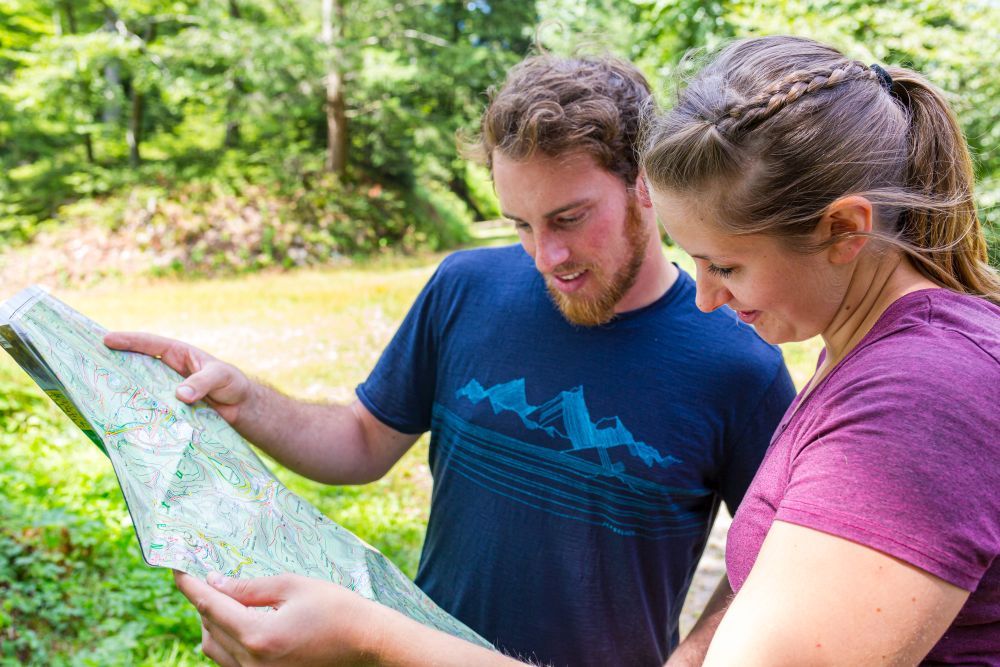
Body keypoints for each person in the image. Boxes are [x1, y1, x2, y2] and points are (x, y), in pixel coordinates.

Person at [108, 54, 795, 666]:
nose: (545, 258)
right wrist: (244, 400)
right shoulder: (465, 286)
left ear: (645, 183)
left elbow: (770, 559)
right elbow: (361, 440)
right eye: (520, 224)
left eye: (568, 218)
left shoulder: (737, 358)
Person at [638, 35, 1000, 663]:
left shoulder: (920, 395)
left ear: (843, 231)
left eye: (725, 265)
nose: (706, 298)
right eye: (692, 261)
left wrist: (404, 634)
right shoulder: (867, 345)